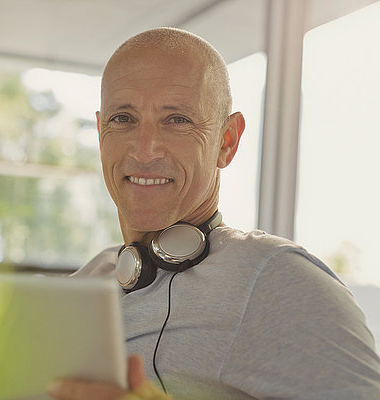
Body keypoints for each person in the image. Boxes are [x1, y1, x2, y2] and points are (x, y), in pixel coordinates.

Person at [47, 27, 380, 399]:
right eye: (123, 118)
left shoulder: (277, 279)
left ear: (227, 141)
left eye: (177, 120)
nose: (144, 150)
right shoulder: (84, 285)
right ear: (99, 133)